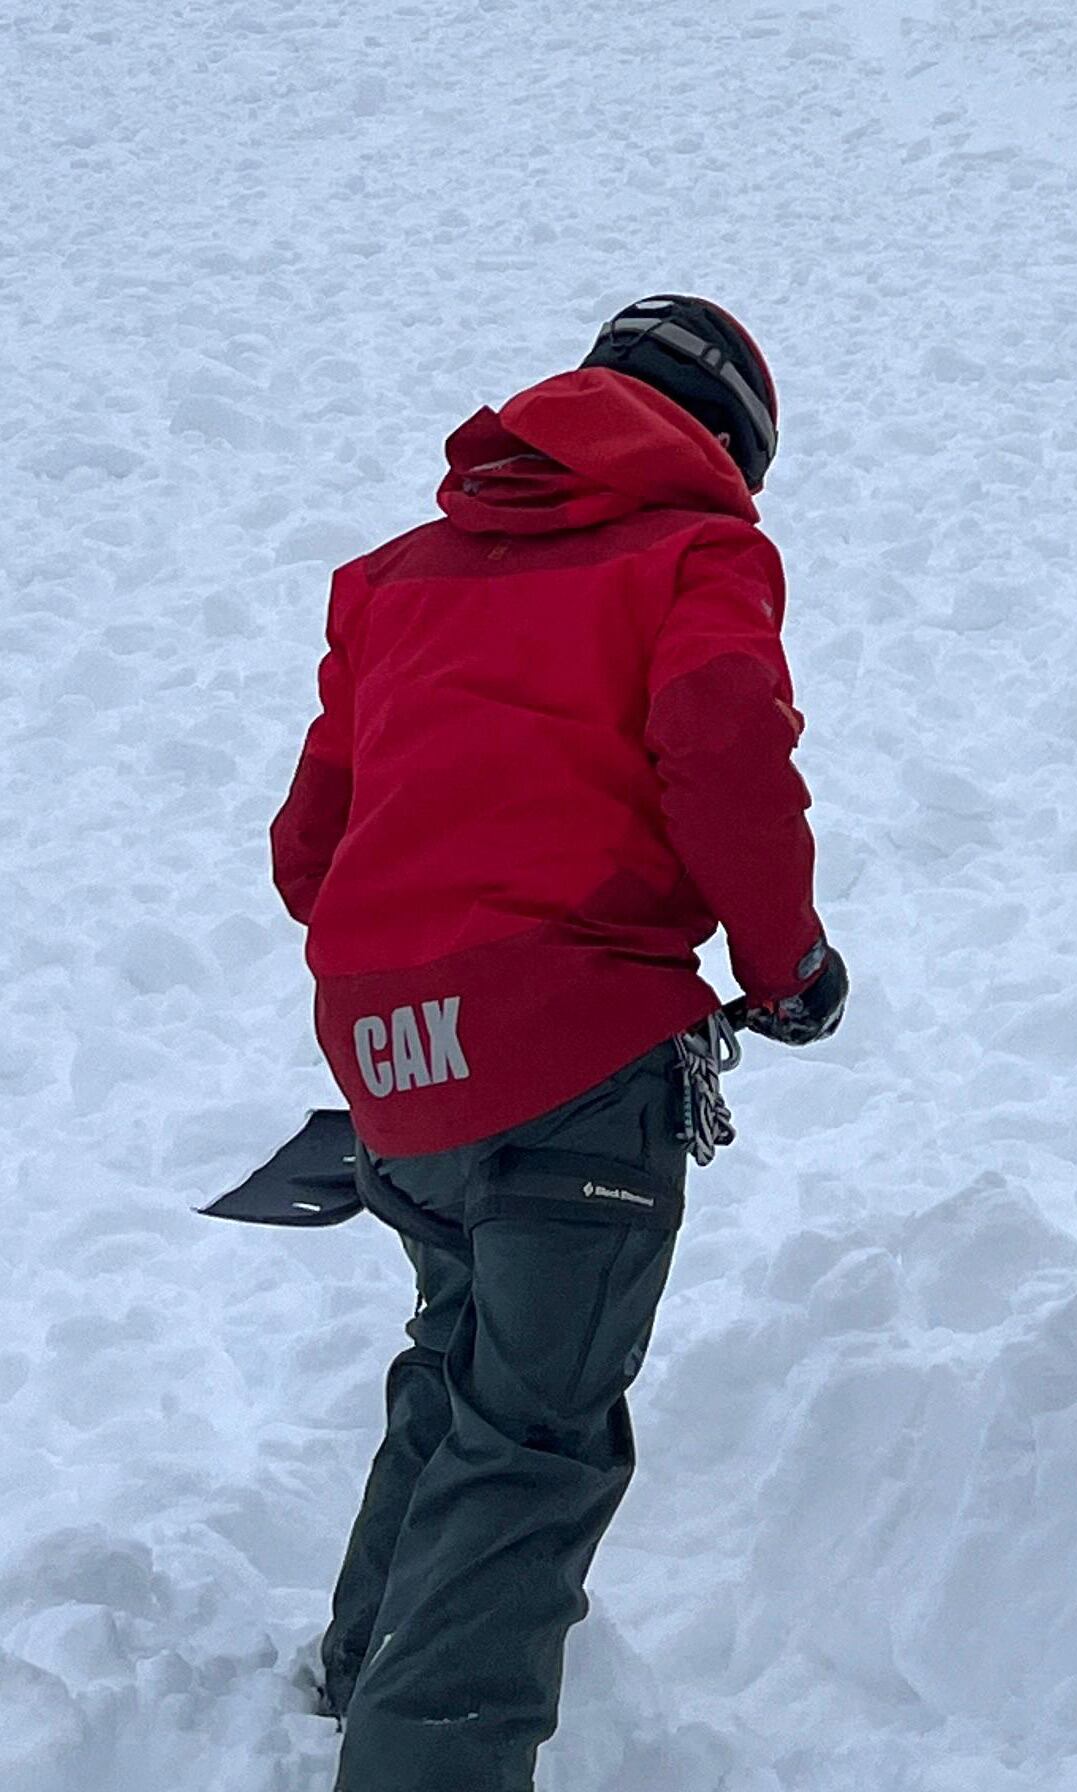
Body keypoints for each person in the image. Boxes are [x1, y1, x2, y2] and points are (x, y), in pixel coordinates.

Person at [268, 295, 850, 1792]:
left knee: (464, 1358)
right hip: (571, 1064)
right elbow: (723, 743)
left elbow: (307, 849)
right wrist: (785, 969)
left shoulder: (398, 579)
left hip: (392, 1066)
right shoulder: (699, 550)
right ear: (729, 443)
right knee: (535, 1446)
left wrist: (422, 960)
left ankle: (355, 1671)